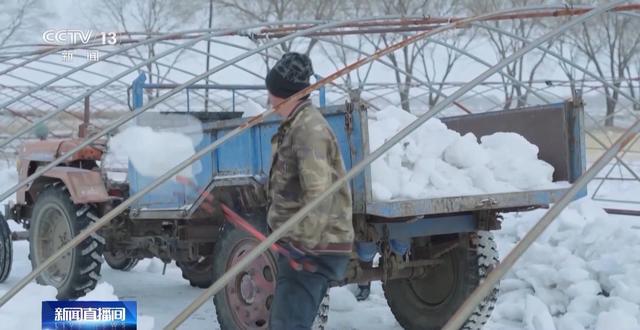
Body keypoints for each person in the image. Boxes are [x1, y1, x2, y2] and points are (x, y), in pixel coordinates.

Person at [265, 52, 354, 330]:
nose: (269, 100)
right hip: (303, 244)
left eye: (272, 93)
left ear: (286, 94)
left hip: (310, 248)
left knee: (287, 325)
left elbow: (320, 196)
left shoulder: (308, 129)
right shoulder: (297, 124)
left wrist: (303, 248)